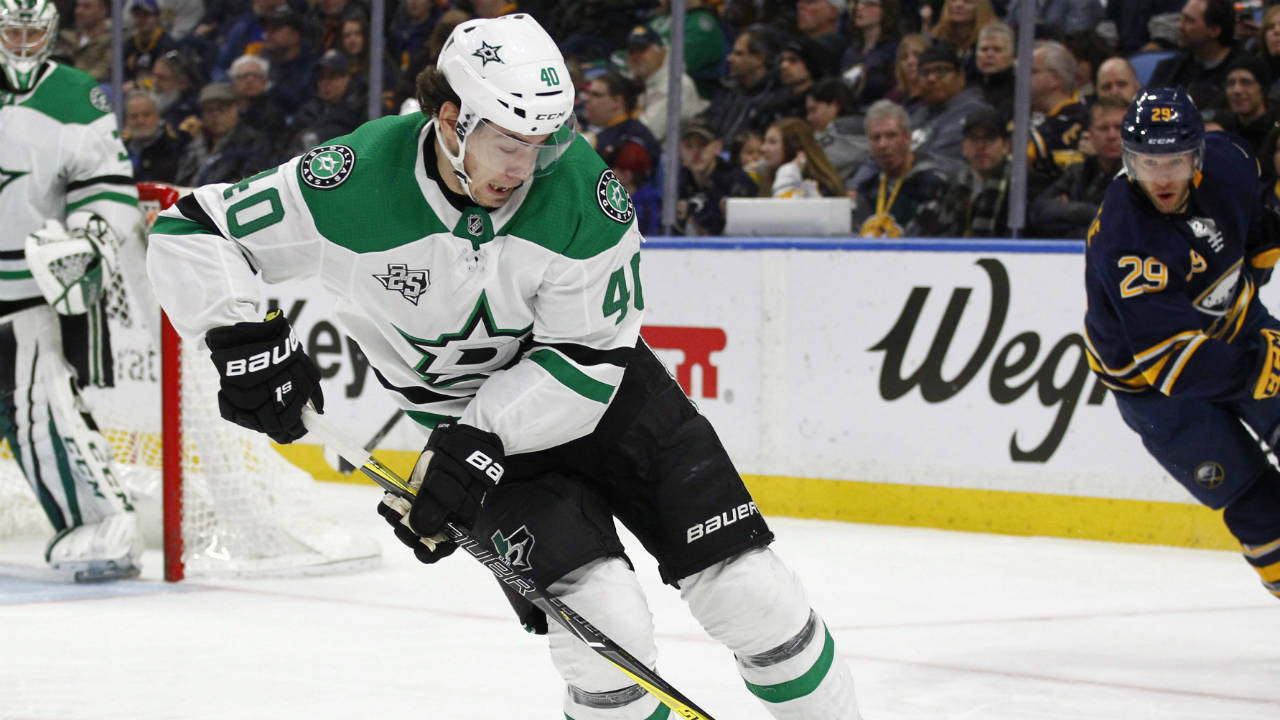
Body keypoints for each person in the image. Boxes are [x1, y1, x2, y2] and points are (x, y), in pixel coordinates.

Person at [147, 14, 861, 719]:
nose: (526, 169)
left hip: (605, 400)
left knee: (753, 596)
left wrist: (473, 445)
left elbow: (588, 359)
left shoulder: (582, 192)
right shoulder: (353, 181)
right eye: (510, 143)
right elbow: (194, 229)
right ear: (451, 120)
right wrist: (243, 339)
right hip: (472, 433)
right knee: (604, 629)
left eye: (544, 143)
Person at [1083, 87, 1280, 601]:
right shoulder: (1124, 237)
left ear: (1199, 155)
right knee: (1258, 507)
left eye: (1174, 161)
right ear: (1128, 161)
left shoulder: (1232, 162)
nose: (1162, 178)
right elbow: (1174, 366)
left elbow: (1257, 216)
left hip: (1236, 326)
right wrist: (1259, 367)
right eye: (1147, 164)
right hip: (1156, 389)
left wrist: (1263, 248)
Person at [0, 0, 143, 581]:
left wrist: (88, 235)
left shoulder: (76, 95)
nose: (22, 44)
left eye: (32, 33)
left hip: (32, 286)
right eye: (12, 31)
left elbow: (107, 185)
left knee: (43, 410)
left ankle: (105, 524)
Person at [851, 98, 963, 236]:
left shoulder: (934, 185)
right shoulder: (867, 188)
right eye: (876, 138)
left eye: (891, 135)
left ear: (908, 137)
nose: (883, 145)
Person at [1029, 94, 1127, 238]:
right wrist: (1089, 211)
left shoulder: (1143, 178)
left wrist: (1068, 211)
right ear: (1090, 134)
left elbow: (1120, 228)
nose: (1112, 136)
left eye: (1119, 128)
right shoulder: (1079, 171)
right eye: (1103, 128)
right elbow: (1039, 211)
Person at [1148, 0, 1247, 111]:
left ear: (1214, 30)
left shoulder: (1244, 72)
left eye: (1189, 21)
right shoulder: (1170, 69)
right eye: (1181, 18)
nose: (1180, 26)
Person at [624, 24, 708, 144]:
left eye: (642, 50)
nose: (635, 56)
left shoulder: (677, 84)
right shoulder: (632, 78)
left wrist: (626, 116)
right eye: (631, 51)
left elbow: (647, 133)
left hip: (670, 153)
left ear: (661, 51)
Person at [676, 122, 760, 235]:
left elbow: (717, 229)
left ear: (717, 147)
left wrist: (690, 212)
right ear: (680, 150)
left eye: (703, 145)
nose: (696, 152)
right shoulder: (678, 181)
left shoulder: (736, 180)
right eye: (689, 146)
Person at [957, 106, 1011, 237]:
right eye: (973, 138)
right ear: (963, 147)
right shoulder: (954, 187)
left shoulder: (1021, 190)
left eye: (989, 138)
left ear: (1006, 146)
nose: (980, 146)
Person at [759, 116, 847, 197]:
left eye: (772, 142)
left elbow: (785, 206)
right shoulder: (768, 178)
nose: (763, 148)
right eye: (765, 141)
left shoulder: (816, 187)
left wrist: (788, 171)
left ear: (793, 147)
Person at [123, 88, 185, 182]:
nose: (140, 121)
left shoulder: (175, 149)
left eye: (146, 115)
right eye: (133, 116)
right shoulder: (120, 150)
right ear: (127, 120)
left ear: (158, 116)